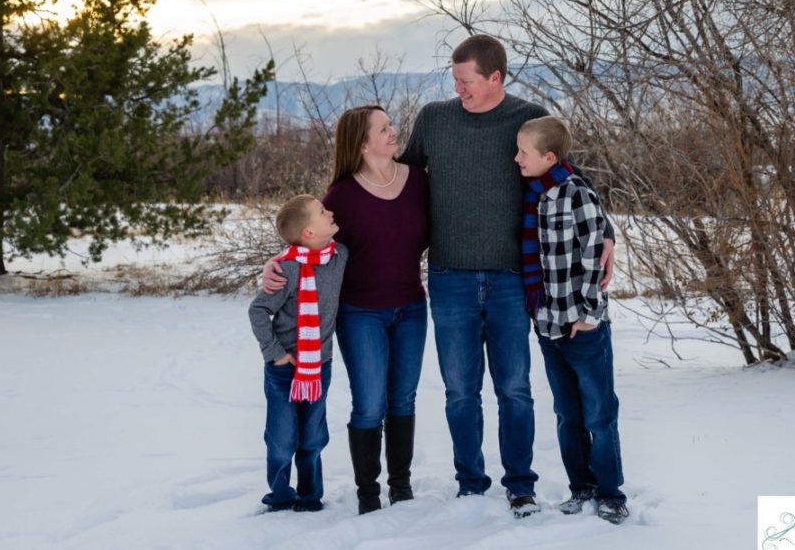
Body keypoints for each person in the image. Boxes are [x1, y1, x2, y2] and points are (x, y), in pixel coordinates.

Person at [396, 34, 616, 518]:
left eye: (466, 80)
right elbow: (400, 185)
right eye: (454, 80)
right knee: (459, 391)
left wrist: (608, 233)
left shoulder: (526, 117)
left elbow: (567, 177)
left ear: (495, 78)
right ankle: (471, 484)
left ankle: (521, 485)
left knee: (514, 388)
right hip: (450, 275)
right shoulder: (434, 119)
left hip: (513, 277)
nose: (459, 89)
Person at [262, 106, 429, 515]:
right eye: (384, 128)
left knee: (403, 401)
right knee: (370, 402)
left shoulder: (419, 181)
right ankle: (369, 493)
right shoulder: (342, 196)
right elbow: (308, 240)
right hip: (361, 314)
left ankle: (401, 487)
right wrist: (273, 266)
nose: (394, 132)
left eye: (391, 126)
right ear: (362, 143)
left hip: (410, 308)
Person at [514, 116, 629, 524]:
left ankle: (612, 493)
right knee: (567, 415)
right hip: (547, 325)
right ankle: (581, 487)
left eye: (523, 153)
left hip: (583, 326)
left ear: (549, 156)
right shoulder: (532, 195)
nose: (516, 158)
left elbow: (593, 259)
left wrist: (590, 315)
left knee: (599, 413)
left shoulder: (577, 194)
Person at [249, 194, 348, 513]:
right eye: (322, 212)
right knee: (281, 439)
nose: (330, 211)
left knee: (313, 437)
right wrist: (274, 353)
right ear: (307, 232)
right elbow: (258, 310)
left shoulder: (339, 256)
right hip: (284, 370)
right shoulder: (288, 269)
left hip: (320, 367)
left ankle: (310, 497)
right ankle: (279, 495)